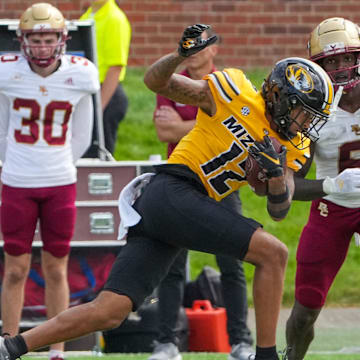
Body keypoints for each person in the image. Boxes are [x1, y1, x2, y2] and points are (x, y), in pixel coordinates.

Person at [0, 24, 339, 360]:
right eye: (301, 113)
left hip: (177, 209)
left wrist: (277, 175)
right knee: (273, 254)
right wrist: (179, 56)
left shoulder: (292, 145)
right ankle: (266, 356)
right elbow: (155, 83)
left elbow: (278, 210)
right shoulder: (233, 92)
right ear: (280, 96)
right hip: (173, 189)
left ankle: (11, 346)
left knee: (109, 310)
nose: (304, 125)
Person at [0, 3, 99, 360]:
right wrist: (16, 163)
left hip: (60, 181)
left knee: (57, 267)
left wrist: (59, 164)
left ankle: (57, 349)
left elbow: (84, 133)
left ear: (62, 40)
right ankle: (7, 343)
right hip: (17, 182)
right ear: (23, 41)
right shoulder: (7, 73)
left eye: (48, 38)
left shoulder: (81, 73)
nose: (42, 46)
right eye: (35, 39)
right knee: (15, 269)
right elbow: (2, 127)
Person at [150, 28, 253, 360]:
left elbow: (227, 127)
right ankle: (166, 342)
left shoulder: (227, 84)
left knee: (233, 263)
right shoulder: (171, 80)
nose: (196, 51)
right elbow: (163, 130)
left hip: (221, 182)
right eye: (191, 46)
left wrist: (188, 125)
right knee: (172, 265)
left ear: (216, 50)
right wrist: (209, 121)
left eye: (203, 45)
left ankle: (241, 342)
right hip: (181, 180)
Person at [285, 17, 360, 360]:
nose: (341, 67)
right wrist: (331, 184)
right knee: (305, 309)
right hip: (332, 208)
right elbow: (289, 186)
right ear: (319, 67)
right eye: (331, 61)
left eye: (347, 58)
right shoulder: (315, 109)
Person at [80, 0, 131, 158]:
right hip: (91, 93)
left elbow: (115, 67)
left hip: (106, 94)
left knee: (99, 157)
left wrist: (97, 110)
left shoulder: (115, 19)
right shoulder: (88, 15)